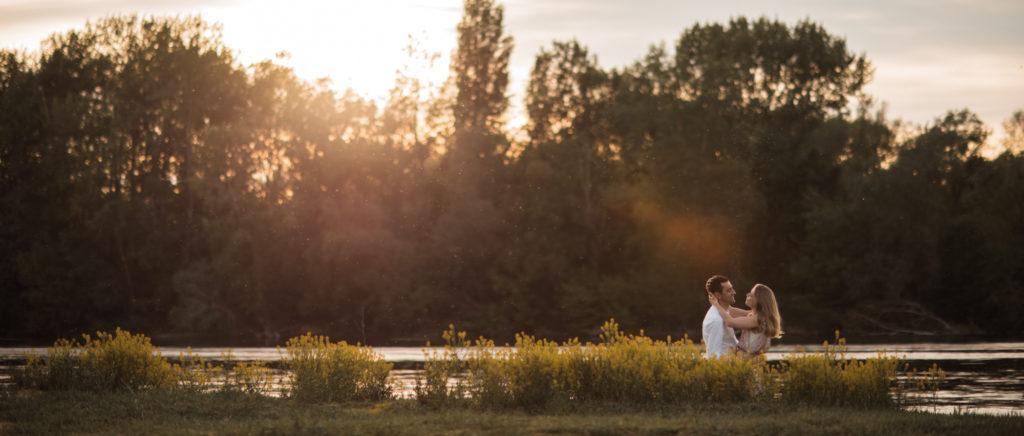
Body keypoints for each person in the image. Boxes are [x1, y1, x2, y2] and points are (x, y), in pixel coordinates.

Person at [708, 283, 783, 357]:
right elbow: (731, 311)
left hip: (746, 361)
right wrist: (720, 297)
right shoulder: (753, 314)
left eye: (751, 294)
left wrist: (716, 305)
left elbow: (730, 322)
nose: (747, 295)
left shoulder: (757, 319)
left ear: (759, 300)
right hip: (745, 360)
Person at [701, 275, 741, 358]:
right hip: (726, 367)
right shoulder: (716, 319)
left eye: (732, 288)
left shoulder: (724, 312)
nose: (734, 292)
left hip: (734, 363)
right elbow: (713, 355)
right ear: (718, 295)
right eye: (729, 290)